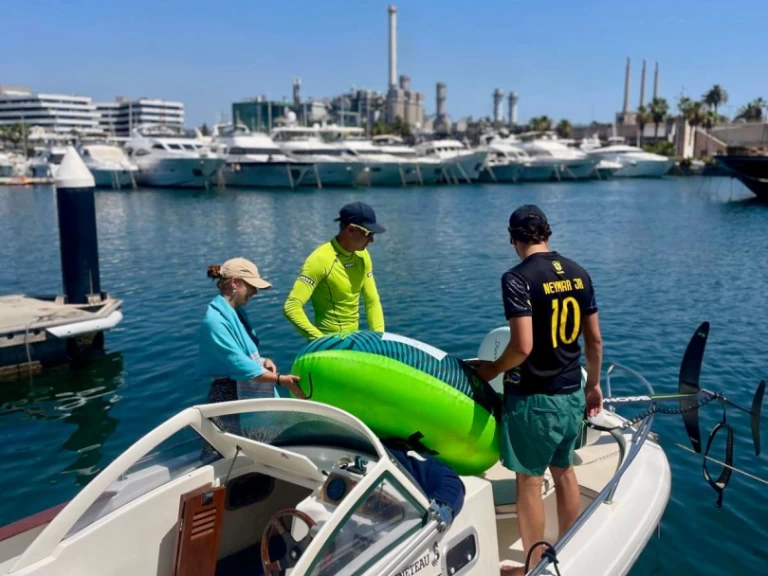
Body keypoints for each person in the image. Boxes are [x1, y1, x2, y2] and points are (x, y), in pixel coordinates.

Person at [468, 205, 603, 575]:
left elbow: (522, 346)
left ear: (513, 238)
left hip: (534, 401)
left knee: (529, 481)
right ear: (548, 233)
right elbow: (594, 341)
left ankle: (532, 567)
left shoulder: (517, 278)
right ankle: (568, 548)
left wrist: (490, 369)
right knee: (564, 470)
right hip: (571, 393)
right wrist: (592, 386)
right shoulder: (579, 273)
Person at [198, 258, 305, 435]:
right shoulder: (214, 322)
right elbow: (237, 363)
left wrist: (262, 361)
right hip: (229, 397)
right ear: (235, 282)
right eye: (251, 286)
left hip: (238, 391)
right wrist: (280, 380)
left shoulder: (234, 313)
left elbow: (236, 355)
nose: (255, 292)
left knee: (252, 445)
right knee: (228, 447)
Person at [284, 202, 385, 340]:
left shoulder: (363, 255)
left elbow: (372, 301)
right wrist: (322, 342)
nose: (372, 240)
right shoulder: (319, 260)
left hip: (353, 342)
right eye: (369, 233)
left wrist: (379, 338)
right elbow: (291, 307)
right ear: (351, 230)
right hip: (329, 345)